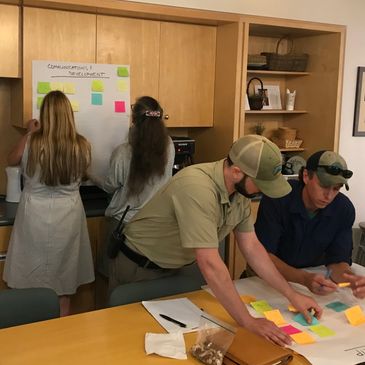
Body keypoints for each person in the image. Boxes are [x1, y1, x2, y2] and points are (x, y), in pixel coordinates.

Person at [111, 134, 322, 346]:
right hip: (139, 266)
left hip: (177, 265)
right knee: (132, 339)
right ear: (237, 172)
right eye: (261, 184)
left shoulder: (239, 191)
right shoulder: (197, 187)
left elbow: (252, 247)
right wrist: (248, 321)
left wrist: (291, 295)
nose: (263, 191)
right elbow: (210, 263)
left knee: (186, 339)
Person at [3, 90, 95, 316]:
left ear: (45, 115)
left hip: (34, 215)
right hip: (68, 215)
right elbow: (84, 174)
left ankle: (31, 335)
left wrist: (28, 133)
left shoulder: (32, 142)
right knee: (63, 284)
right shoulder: (81, 145)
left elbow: (10, 159)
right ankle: (59, 335)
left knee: (30, 278)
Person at [255, 150, 365, 299]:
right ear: (306, 176)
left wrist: (352, 280)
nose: (329, 196)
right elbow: (262, 256)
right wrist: (303, 278)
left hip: (312, 281)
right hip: (265, 279)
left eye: (336, 189)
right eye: (324, 186)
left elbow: (337, 262)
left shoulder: (343, 209)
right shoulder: (278, 198)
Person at [89, 95, 174, 278]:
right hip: (156, 224)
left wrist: (88, 174)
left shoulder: (123, 152)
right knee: (147, 281)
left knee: (117, 280)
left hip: (124, 226)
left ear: (134, 120)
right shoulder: (169, 146)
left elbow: (109, 186)